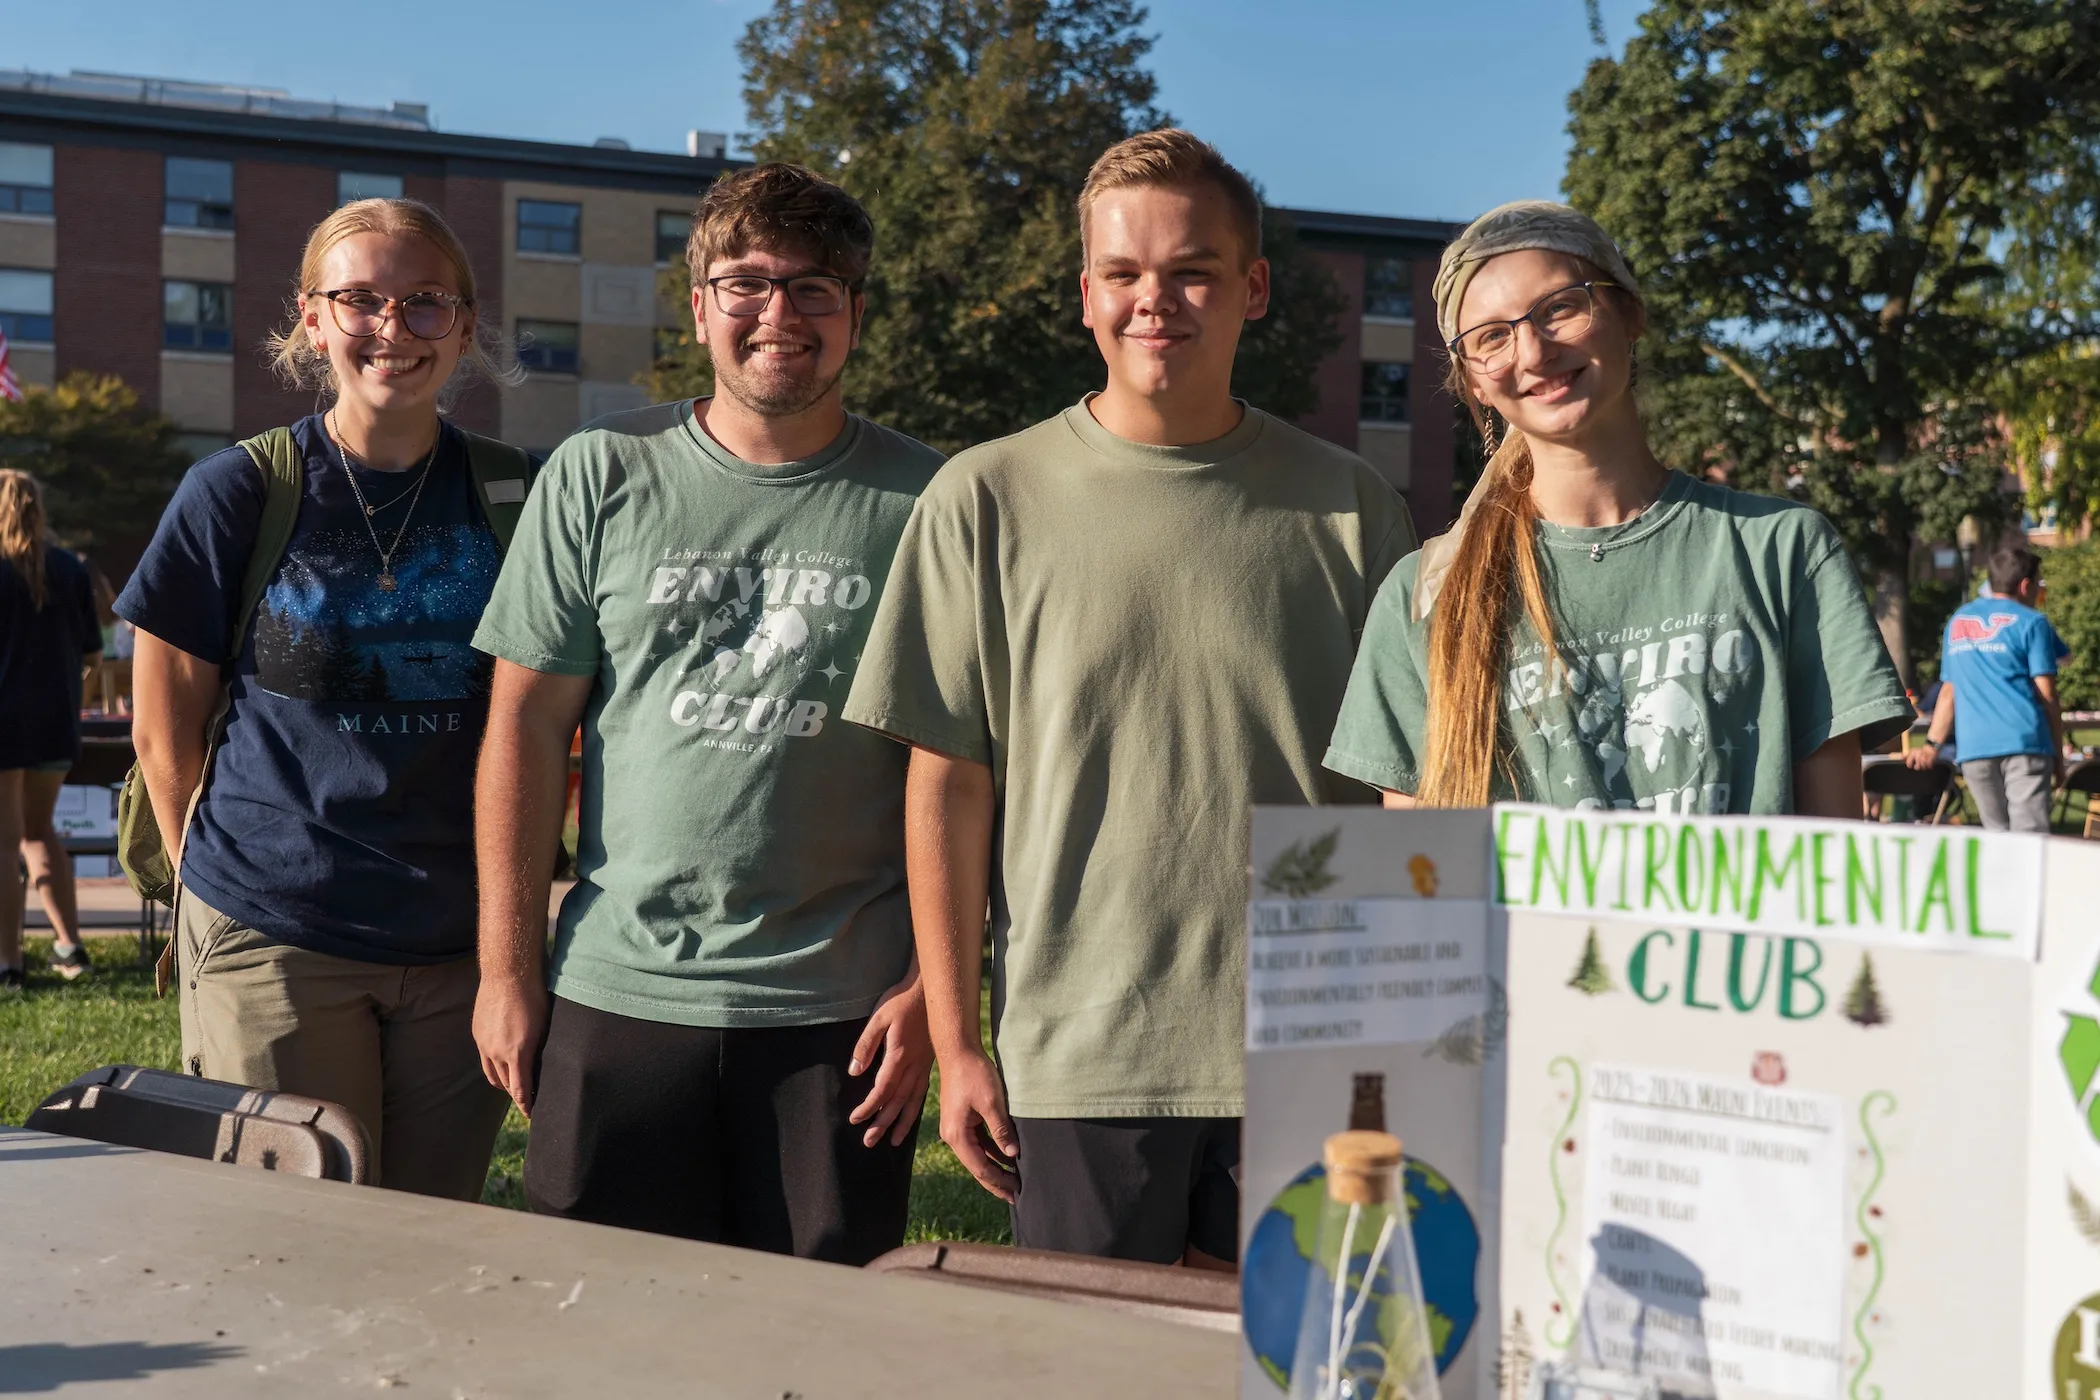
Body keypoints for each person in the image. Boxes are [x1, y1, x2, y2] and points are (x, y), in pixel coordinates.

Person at [843, 129, 1417, 1267]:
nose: (1157, 300)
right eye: (1124, 273)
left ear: (1252, 288)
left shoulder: (1353, 507)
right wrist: (960, 1040)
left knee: (1330, 1367)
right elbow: (948, 785)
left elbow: (1410, 794)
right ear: (1087, 293)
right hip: (1086, 1049)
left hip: (1319, 1039)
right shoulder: (983, 498)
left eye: (1193, 269)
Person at [471, 164, 942, 1263]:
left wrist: (933, 989)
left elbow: (958, 763)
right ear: (699, 306)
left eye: (814, 287)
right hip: (618, 988)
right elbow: (526, 729)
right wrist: (506, 971)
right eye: (745, 283)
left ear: (856, 313)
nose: (779, 314)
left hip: (842, 1012)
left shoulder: (932, 500)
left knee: (822, 1337)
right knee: (603, 1336)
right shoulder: (599, 474)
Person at [115, 198, 525, 1198]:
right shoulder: (240, 490)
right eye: (361, 299)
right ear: (312, 319)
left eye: (425, 303)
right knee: (289, 1243)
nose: (393, 328)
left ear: (465, 325)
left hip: (458, 945)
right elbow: (163, 721)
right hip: (275, 932)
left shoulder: (520, 494)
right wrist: (214, 894)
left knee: (434, 1243)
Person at [1325, 201, 1913, 817]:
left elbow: (1834, 851)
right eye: (1492, 337)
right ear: (1472, 380)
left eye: (1560, 308)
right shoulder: (1423, 596)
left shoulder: (1783, 550)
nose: (1532, 352)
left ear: (1629, 312)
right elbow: (1421, 879)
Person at [0, 470, 101, 987]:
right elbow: (93, 654)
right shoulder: (69, 567)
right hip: (54, 724)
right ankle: (70, 948)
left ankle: (9, 964)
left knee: (4, 841)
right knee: (39, 833)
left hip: (4, 725)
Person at [1905, 544, 2068, 832]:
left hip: (1974, 749)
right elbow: (2048, 695)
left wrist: (1932, 745)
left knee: (1997, 839)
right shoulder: (2033, 622)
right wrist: (2058, 754)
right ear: (2025, 585)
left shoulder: (1958, 622)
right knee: (2029, 840)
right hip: (2024, 743)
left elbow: (1948, 693)